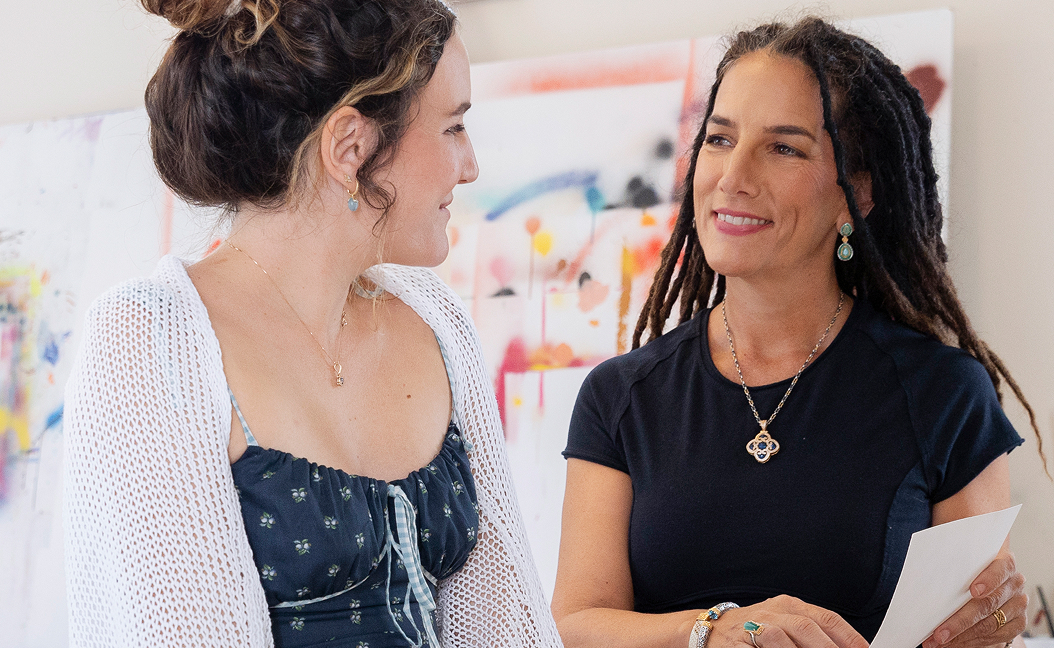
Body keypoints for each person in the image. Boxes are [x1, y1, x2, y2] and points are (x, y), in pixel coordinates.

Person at [63, 1, 561, 646]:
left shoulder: (433, 316)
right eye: (452, 129)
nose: (470, 166)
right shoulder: (148, 341)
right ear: (351, 147)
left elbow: (509, 619)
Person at [553, 17, 1043, 648]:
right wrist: (715, 630)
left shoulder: (943, 392)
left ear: (855, 196)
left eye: (784, 147)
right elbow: (575, 624)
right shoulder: (620, 397)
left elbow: (976, 623)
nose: (733, 176)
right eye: (720, 139)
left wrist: (993, 624)